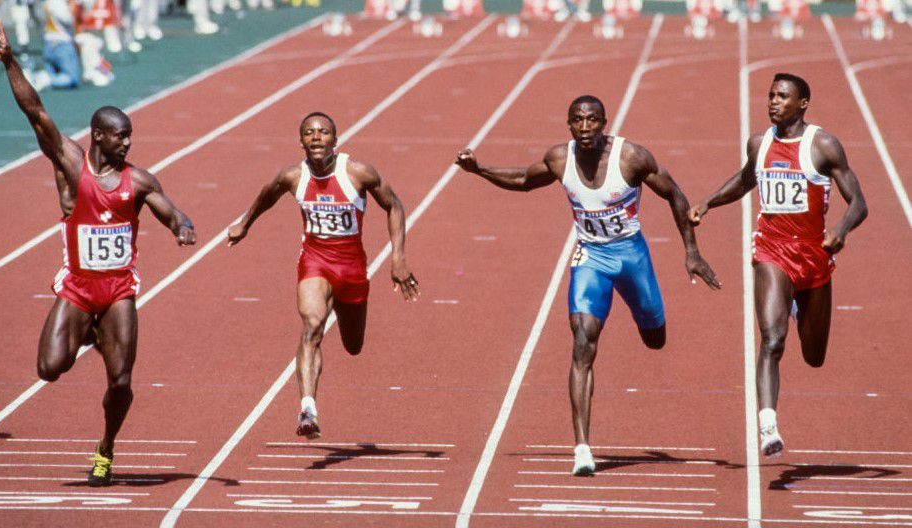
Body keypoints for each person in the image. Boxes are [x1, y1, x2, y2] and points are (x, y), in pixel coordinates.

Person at [456, 95, 721, 476]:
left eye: (592, 121)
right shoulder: (559, 159)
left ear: (603, 123)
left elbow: (675, 194)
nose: (585, 128)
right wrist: (479, 169)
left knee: (655, 338)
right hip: (591, 258)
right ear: (568, 125)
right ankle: (582, 447)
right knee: (582, 339)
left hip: (632, 257)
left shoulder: (630, 157)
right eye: (578, 121)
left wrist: (692, 251)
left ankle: (648, 320)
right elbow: (522, 180)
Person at [0, 21, 197, 486]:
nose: (128, 143)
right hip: (79, 288)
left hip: (119, 289)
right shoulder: (71, 167)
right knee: (49, 368)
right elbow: (36, 112)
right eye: (120, 136)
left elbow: (170, 211)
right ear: (98, 136)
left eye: (130, 135)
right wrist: (9, 62)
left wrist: (183, 227)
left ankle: (106, 449)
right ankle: (89, 334)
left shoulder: (138, 180)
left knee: (120, 381)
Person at [689, 73, 868, 457]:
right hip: (772, 252)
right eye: (771, 95)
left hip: (815, 254)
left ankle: (792, 301)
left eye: (783, 97)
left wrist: (840, 229)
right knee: (772, 340)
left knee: (814, 356)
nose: (773, 102)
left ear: (803, 103)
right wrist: (708, 203)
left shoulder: (823, 146)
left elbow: (859, 203)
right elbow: (744, 179)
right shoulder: (760, 142)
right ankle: (767, 424)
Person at [227, 112, 419, 439]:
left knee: (353, 344)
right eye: (309, 133)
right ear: (301, 141)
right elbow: (266, 195)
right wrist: (245, 223)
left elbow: (395, 205)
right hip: (315, 261)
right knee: (312, 326)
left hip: (353, 267)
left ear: (335, 139)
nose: (316, 137)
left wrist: (398, 257)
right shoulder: (292, 177)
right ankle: (307, 408)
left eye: (324, 132)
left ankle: (315, 390)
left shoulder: (358, 173)